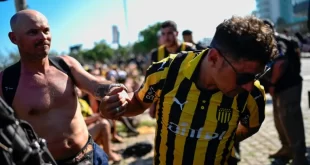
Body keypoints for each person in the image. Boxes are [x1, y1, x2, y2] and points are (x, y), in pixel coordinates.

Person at [101, 15, 278, 164]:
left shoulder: (253, 95)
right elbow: (139, 102)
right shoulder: (166, 72)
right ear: (214, 58)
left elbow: (251, 126)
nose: (248, 86)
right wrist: (119, 103)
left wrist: (224, 139)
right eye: (243, 77)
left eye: (256, 76)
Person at [0, 10, 127, 165]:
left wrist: (115, 90)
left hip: (90, 156)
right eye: (33, 32)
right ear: (14, 38)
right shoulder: (5, 81)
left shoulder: (66, 65)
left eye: (46, 30)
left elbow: (95, 84)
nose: (43, 37)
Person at [264, 20, 309, 165]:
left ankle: (299, 158)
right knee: (280, 120)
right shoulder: (281, 40)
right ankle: (286, 149)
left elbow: (280, 62)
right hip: (282, 88)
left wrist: (272, 83)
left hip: (287, 88)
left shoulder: (277, 41)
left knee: (291, 123)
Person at [148, 21, 196, 118]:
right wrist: (152, 104)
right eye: (163, 34)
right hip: (164, 100)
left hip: (187, 98)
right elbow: (154, 81)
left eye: (169, 33)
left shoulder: (189, 50)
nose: (166, 37)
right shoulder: (156, 54)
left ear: (177, 33)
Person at [76, 88, 121, 163]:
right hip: (80, 134)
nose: (77, 90)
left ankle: (108, 148)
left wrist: (98, 117)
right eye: (75, 88)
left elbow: (91, 115)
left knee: (106, 119)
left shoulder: (83, 102)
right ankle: (108, 153)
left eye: (78, 88)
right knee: (104, 124)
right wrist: (97, 117)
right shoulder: (71, 106)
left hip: (88, 130)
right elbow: (80, 121)